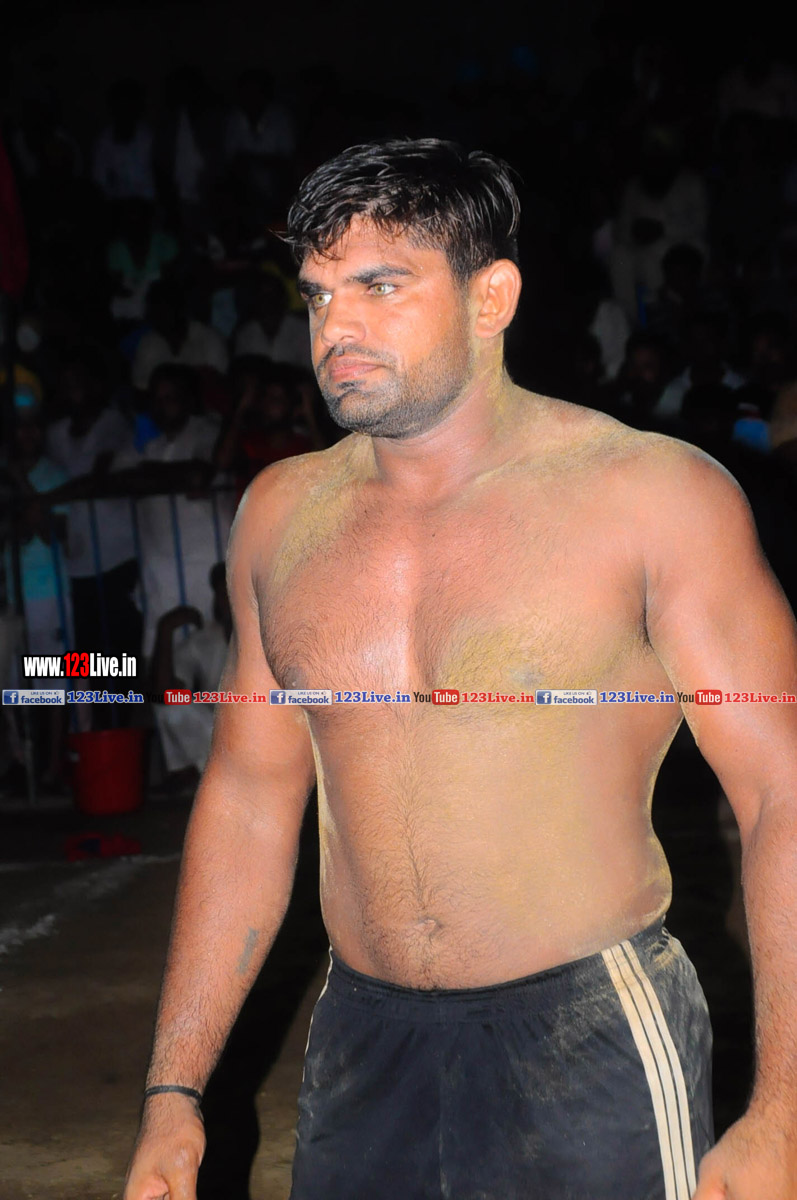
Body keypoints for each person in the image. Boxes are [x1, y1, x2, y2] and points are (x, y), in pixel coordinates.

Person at [124, 139, 797, 1200]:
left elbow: (779, 793)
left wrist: (783, 1115)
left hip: (590, 1033)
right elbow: (250, 797)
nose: (334, 329)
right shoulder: (280, 517)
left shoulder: (651, 498)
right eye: (317, 295)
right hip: (361, 1042)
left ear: (492, 299)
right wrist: (174, 1090)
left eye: (380, 287)